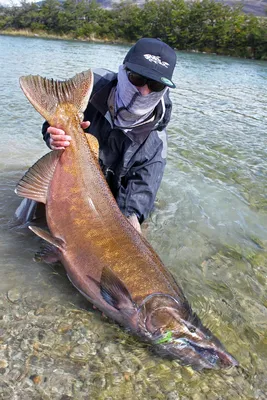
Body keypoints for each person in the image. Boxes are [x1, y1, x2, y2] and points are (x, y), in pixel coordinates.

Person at [40, 38, 176, 233]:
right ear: (123, 71)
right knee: (27, 223)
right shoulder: (87, 91)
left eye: (155, 85)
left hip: (111, 198)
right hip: (69, 180)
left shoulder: (156, 144)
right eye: (138, 78)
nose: (144, 92)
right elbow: (50, 125)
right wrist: (52, 137)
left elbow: (137, 197)